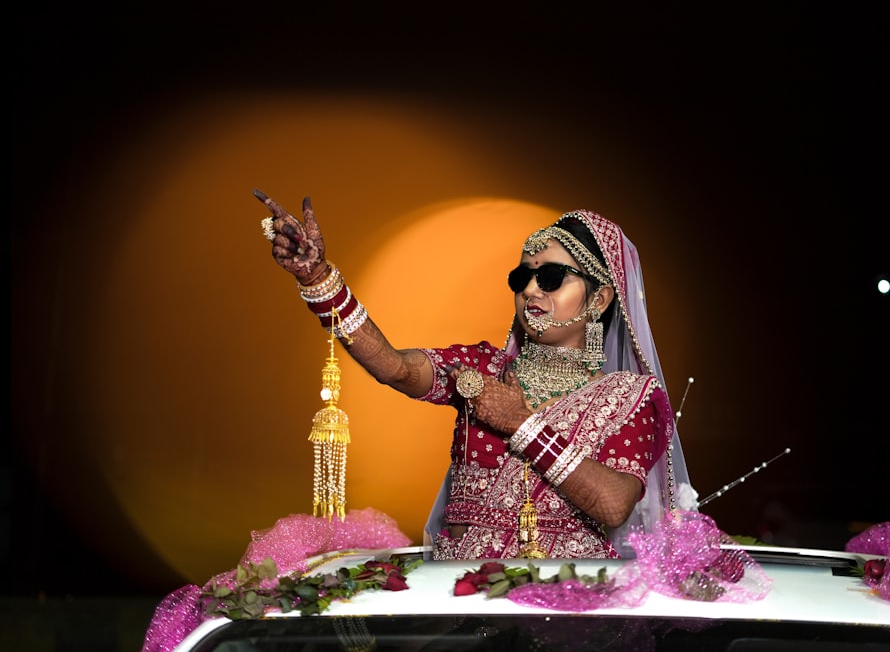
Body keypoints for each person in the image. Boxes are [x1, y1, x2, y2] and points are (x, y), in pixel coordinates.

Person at [254, 189, 695, 560]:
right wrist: (318, 279)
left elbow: (615, 504)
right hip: (459, 596)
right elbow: (394, 366)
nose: (530, 289)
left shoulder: (630, 395)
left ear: (599, 301)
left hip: (566, 603)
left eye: (552, 277)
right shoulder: (482, 368)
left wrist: (521, 424)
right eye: (522, 276)